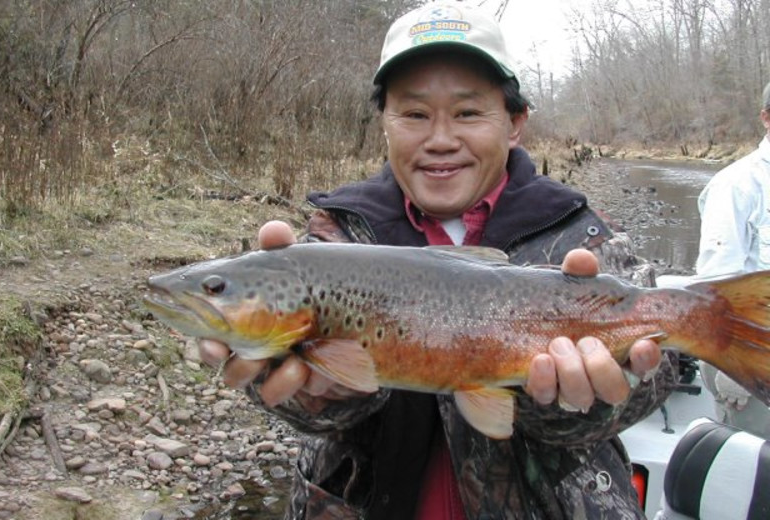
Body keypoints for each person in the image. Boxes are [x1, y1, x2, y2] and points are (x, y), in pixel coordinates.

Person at [198, 4, 677, 519]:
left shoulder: (581, 235)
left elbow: (660, 372)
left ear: (514, 123)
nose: (441, 139)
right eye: (415, 114)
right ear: (384, 122)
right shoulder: (334, 238)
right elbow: (302, 402)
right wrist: (317, 396)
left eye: (468, 113)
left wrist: (582, 402)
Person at [694, 80, 770, 439]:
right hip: (750, 359)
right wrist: (733, 367)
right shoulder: (737, 185)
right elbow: (716, 285)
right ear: (766, 118)